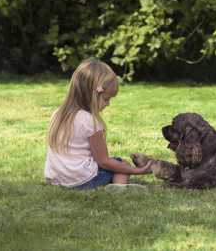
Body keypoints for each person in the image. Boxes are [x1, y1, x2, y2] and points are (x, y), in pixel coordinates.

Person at [44, 58, 151, 190]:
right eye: (106, 99)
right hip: (81, 181)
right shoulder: (90, 121)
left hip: (56, 179)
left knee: (114, 163)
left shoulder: (57, 114)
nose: (108, 104)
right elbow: (103, 161)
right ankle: (118, 189)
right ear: (92, 95)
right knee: (121, 163)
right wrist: (136, 171)